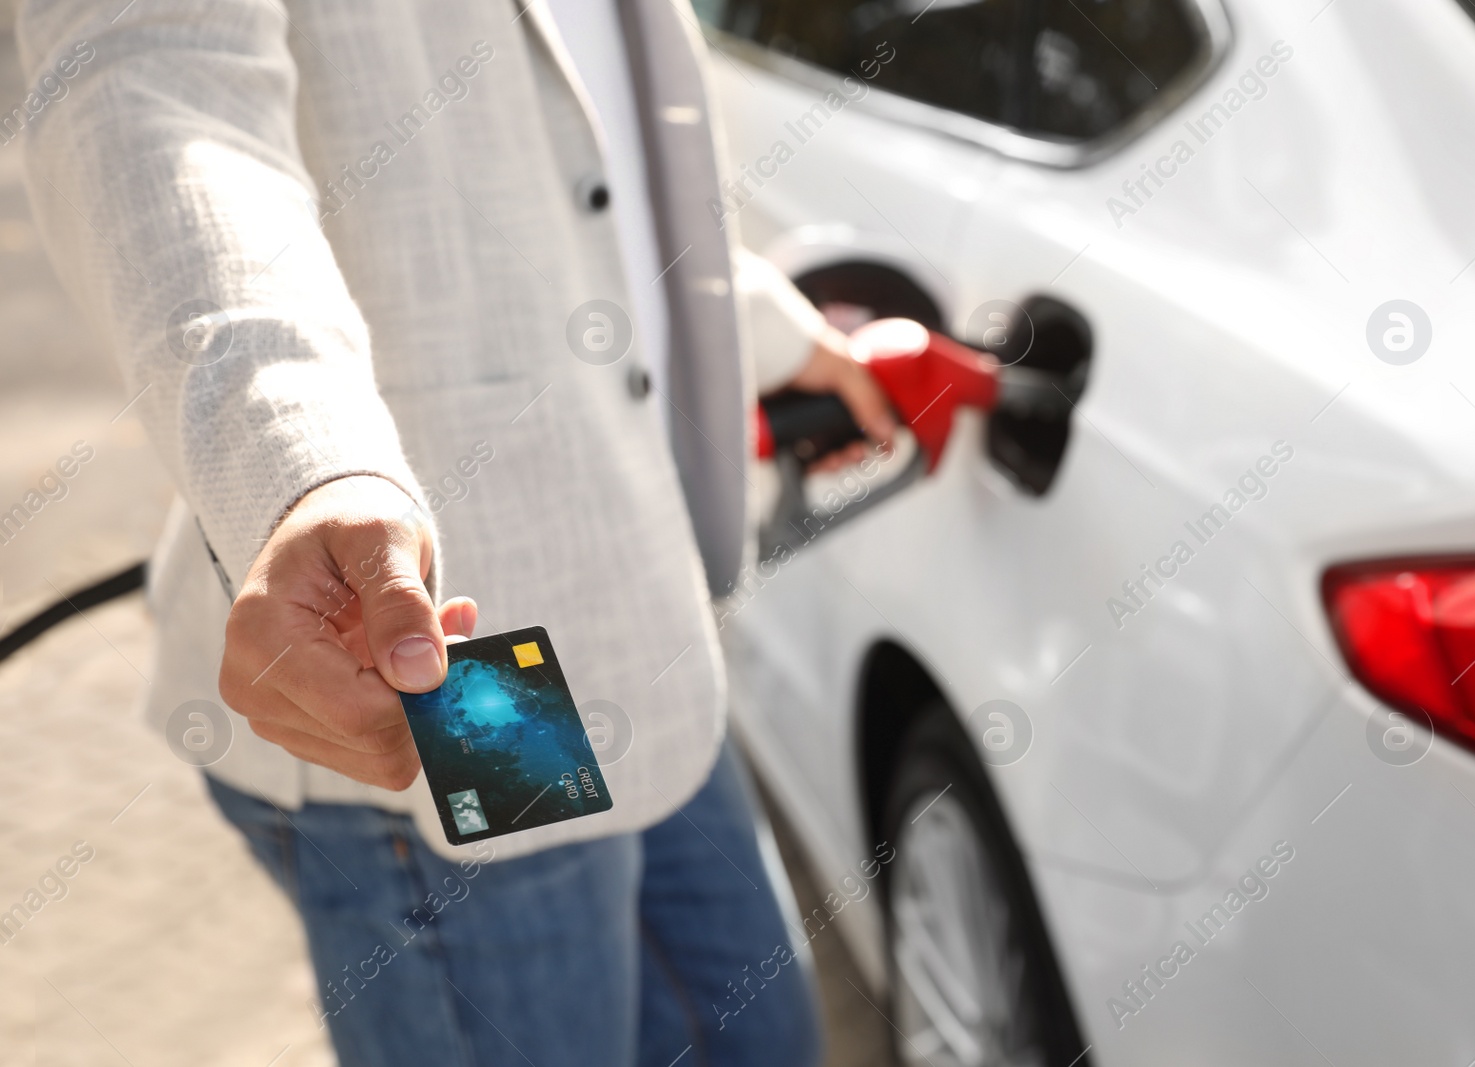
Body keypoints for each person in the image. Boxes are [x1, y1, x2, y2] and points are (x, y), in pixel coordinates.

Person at [17, 0, 895, 1063]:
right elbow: (151, 83)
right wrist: (302, 464)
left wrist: (767, 333)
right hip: (459, 675)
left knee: (757, 1042)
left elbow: (582, 174)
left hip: (636, 616)